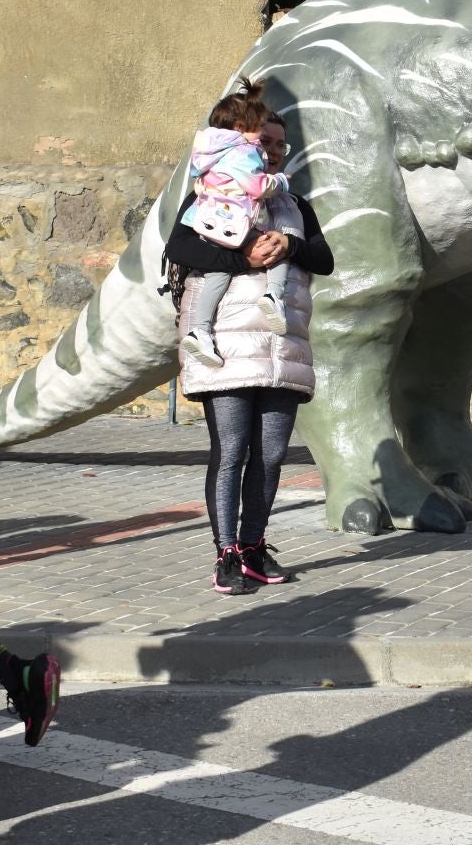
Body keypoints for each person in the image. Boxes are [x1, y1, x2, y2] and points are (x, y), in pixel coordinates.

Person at [168, 113, 332, 593]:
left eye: (282, 143)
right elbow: (181, 249)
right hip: (228, 346)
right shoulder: (210, 194)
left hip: (282, 346)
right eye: (267, 141)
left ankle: (253, 544)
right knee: (232, 451)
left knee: (273, 455)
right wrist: (245, 258)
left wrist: (291, 243)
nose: (277, 150)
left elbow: (324, 258)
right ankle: (225, 554)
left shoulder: (295, 204)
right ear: (241, 143)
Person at [178, 79, 295, 363]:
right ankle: (274, 295)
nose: (266, 147)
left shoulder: (210, 152)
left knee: (217, 274)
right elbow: (256, 187)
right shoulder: (243, 152)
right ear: (242, 129)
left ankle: (200, 330)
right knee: (275, 250)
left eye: (281, 144)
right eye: (261, 134)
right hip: (237, 223)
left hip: (209, 224)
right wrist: (279, 182)